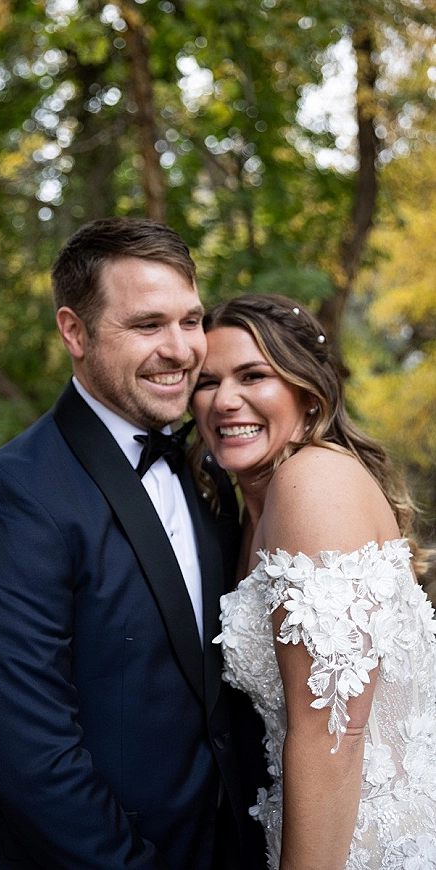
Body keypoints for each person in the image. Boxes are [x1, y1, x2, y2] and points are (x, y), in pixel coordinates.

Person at [0, 217, 268, 870]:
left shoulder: (205, 467)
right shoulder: (6, 503)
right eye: (147, 326)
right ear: (74, 332)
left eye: (190, 320)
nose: (180, 350)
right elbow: (30, 760)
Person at [191, 293, 436, 870]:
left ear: (307, 393)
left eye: (253, 375)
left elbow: (335, 734)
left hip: (370, 845)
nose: (226, 400)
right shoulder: (245, 509)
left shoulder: (313, 482)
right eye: (207, 382)